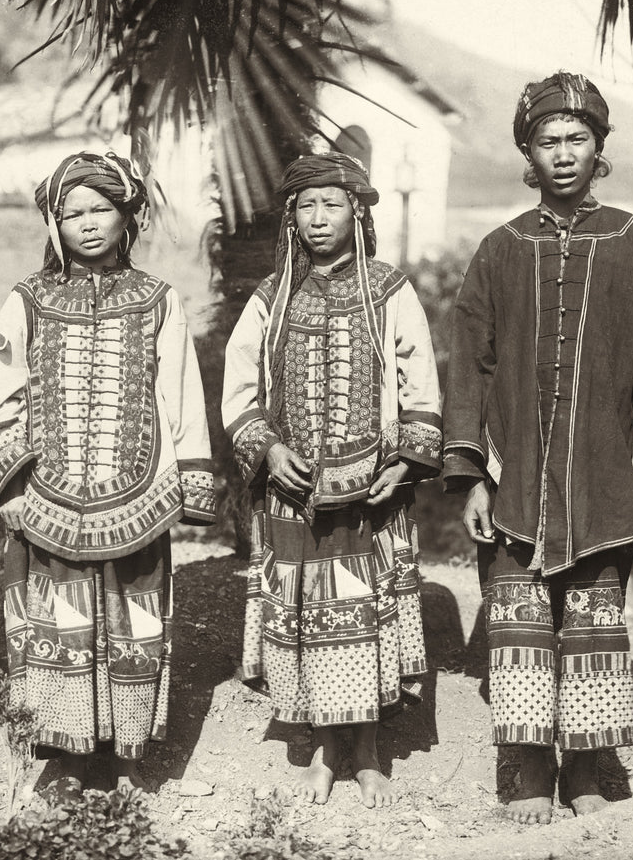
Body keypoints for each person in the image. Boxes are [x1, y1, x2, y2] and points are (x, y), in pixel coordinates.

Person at [443, 71, 633, 824]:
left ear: (600, 149)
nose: (563, 153)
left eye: (577, 139)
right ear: (528, 153)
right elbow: (470, 364)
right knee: (521, 624)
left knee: (595, 620)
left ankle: (588, 766)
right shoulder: (499, 250)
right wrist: (470, 475)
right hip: (516, 476)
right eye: (547, 141)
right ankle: (528, 770)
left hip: (604, 471)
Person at [0, 151, 216, 794]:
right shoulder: (29, 300)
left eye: (102, 208)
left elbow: (181, 395)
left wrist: (186, 484)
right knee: (58, 624)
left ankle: (128, 756)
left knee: (133, 618)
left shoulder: (158, 300)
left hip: (137, 500)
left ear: (127, 217)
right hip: (45, 501)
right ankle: (66, 757)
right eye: (72, 212)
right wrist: (12, 486)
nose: (88, 223)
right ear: (53, 225)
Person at [221, 152, 443, 809]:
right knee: (311, 618)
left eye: (333, 204)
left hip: (370, 494)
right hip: (292, 495)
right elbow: (240, 387)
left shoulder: (388, 290)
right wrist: (265, 445)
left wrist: (407, 460)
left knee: (364, 619)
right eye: (306, 207)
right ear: (291, 217)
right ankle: (323, 746)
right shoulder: (272, 297)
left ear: (358, 211)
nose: (319, 219)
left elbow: (419, 379)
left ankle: (369, 748)